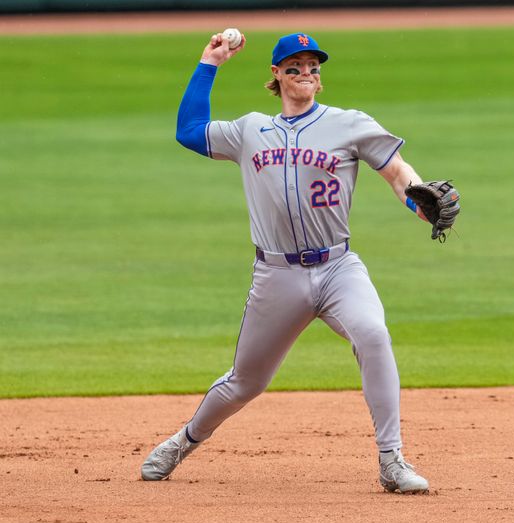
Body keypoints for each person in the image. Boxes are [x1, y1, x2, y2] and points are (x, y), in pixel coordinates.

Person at [140, 31, 433, 494]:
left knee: (373, 334)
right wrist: (208, 63)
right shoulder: (249, 130)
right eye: (294, 66)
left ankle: (391, 461)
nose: (305, 73)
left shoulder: (349, 123)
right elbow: (188, 131)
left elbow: (400, 175)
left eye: (313, 66)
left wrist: (420, 202)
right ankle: (184, 440)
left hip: (339, 268)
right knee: (245, 382)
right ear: (276, 75)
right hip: (277, 275)